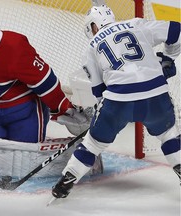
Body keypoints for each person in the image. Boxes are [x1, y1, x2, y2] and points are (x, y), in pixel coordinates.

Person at [0, 17, 103, 183]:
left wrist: (64, 108)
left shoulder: (14, 47)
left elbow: (45, 81)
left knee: (26, 159)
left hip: (25, 112)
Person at [51, 4, 181, 199]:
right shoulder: (136, 24)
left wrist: (103, 119)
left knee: (93, 144)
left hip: (118, 100)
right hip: (156, 94)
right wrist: (168, 58)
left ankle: (65, 183)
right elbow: (176, 30)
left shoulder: (91, 46)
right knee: (169, 135)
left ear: (94, 26)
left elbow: (99, 91)